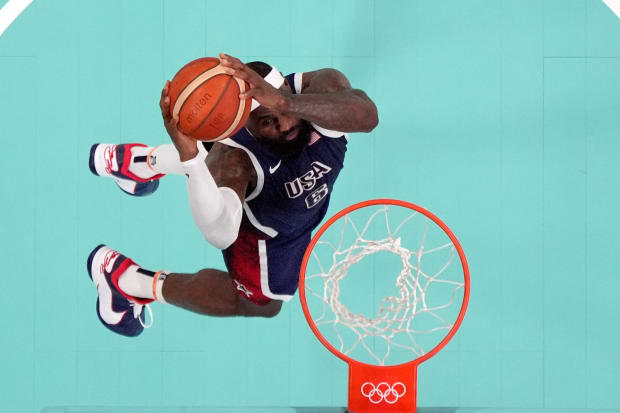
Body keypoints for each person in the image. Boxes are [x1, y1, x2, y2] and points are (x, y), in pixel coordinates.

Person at [86, 53, 378, 337]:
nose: (286, 124)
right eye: (267, 121)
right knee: (263, 305)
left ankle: (139, 162)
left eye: (284, 110)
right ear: (245, 127)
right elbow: (221, 233)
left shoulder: (315, 92)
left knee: (217, 150)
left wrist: (287, 103)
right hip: (267, 236)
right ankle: (126, 281)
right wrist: (189, 158)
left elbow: (368, 116)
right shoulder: (234, 160)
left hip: (296, 210)